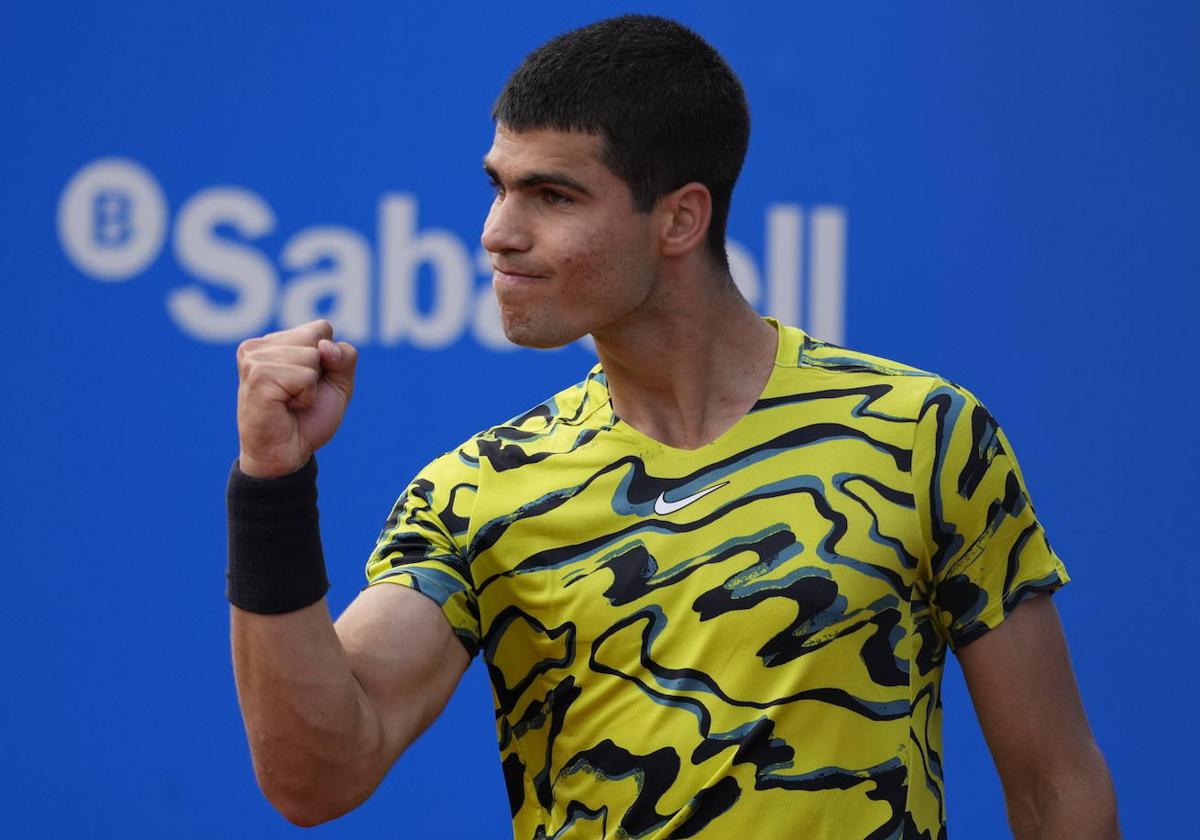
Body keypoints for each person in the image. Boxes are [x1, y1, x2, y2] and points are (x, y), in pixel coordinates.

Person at [228, 14, 1118, 839]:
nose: (499, 232)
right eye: (499, 188)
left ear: (681, 218)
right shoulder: (474, 491)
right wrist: (270, 488)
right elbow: (319, 774)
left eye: (553, 196)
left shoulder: (924, 435)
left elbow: (1052, 782)